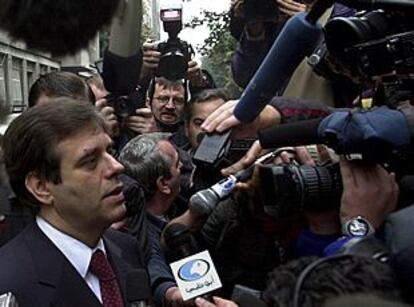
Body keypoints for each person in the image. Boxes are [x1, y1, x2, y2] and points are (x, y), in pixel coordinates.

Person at [0, 99, 147, 307]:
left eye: (110, 152)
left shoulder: (126, 248)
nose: (116, 167)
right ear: (41, 187)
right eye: (90, 161)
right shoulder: (11, 283)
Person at [119, 132, 193, 306]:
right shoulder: (138, 233)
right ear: (163, 184)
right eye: (177, 164)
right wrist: (173, 294)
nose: (182, 165)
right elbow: (153, 270)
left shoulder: (179, 203)